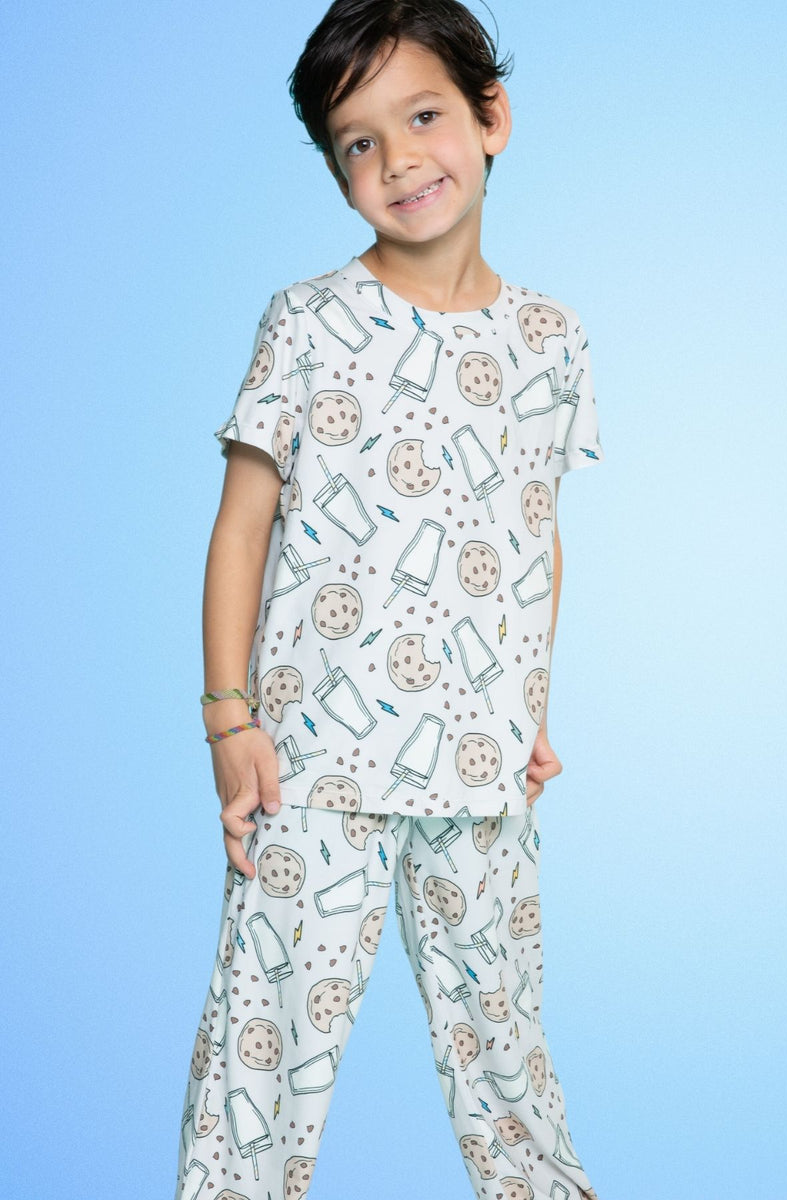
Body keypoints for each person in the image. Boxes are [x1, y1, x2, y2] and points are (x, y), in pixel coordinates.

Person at [173, 2, 604, 1197]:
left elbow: (532, 531)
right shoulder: (307, 323)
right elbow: (241, 527)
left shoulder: (551, 340)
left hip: (480, 769)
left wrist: (530, 712)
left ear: (489, 117)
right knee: (260, 1063)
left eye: (421, 118)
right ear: (335, 171)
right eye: (358, 142)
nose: (398, 160)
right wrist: (227, 720)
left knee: (507, 1058)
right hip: (313, 770)